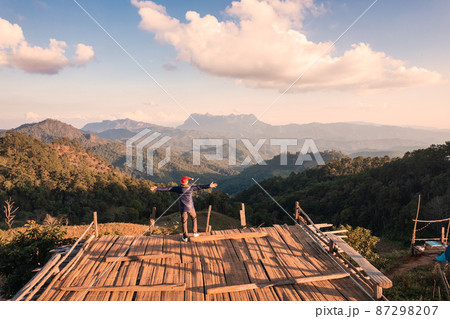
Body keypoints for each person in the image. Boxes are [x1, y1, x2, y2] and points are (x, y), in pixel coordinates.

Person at [151, 176, 217, 242]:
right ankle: (195, 233)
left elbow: (167, 189)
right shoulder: (190, 188)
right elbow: (200, 187)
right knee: (194, 218)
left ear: (181, 182)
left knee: (184, 222)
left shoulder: (178, 188)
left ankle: (185, 237)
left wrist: (157, 188)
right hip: (190, 207)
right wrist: (209, 186)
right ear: (187, 182)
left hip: (183, 208)